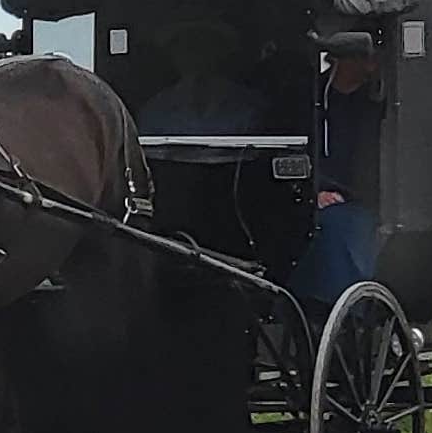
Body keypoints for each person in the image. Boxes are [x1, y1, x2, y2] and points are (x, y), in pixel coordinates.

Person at [291, 36, 382, 305]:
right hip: (308, 196)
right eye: (363, 60)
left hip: (359, 204)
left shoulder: (373, 107)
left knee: (343, 226)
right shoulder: (308, 102)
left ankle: (347, 309)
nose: (370, 68)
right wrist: (315, 190)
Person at [139, 17, 268, 138]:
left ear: (220, 51)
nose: (195, 55)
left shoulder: (249, 104)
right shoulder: (155, 110)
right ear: (173, 55)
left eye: (203, 45)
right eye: (186, 47)